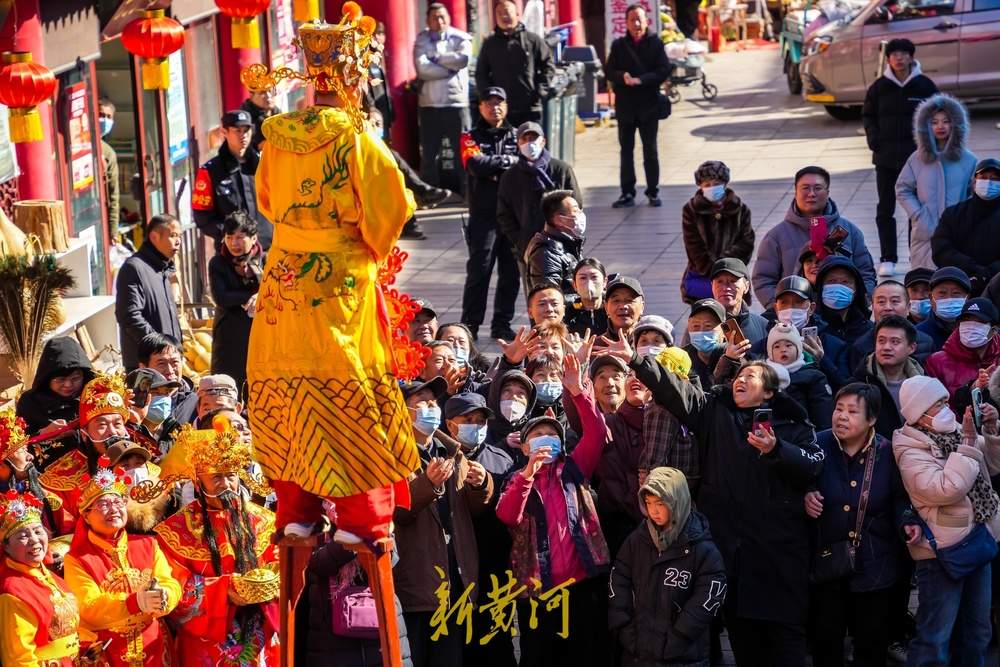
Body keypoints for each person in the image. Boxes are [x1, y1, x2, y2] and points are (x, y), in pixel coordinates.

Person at [244, 8, 422, 542]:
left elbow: (267, 201)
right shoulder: (358, 141)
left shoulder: (275, 138)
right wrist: (366, 249)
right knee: (350, 387)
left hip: (283, 280)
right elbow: (389, 211)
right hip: (338, 281)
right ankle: (361, 516)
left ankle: (295, 511)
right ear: (354, 80)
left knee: (284, 387)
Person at [605, 336, 823, 667]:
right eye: (739, 376)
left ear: (769, 391)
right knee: (743, 641)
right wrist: (638, 360)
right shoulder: (714, 412)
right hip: (730, 554)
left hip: (779, 558)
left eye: (751, 376)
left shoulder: (792, 424)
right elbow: (673, 391)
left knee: (787, 645)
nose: (741, 380)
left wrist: (776, 450)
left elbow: (812, 464)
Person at [496, 355, 612, 666]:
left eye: (551, 435)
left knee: (585, 655)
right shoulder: (515, 479)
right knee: (539, 657)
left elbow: (597, 435)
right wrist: (528, 473)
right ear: (523, 447)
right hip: (537, 590)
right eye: (536, 436)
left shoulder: (574, 468)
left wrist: (578, 391)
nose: (544, 441)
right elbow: (508, 516)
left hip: (581, 587)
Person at [893, 376, 1000, 665]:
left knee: (978, 631)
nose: (945, 409)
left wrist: (990, 431)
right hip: (942, 551)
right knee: (935, 637)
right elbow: (945, 489)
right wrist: (967, 444)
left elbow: (992, 465)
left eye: (944, 401)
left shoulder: (954, 431)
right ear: (919, 413)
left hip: (978, 538)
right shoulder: (909, 448)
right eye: (936, 404)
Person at [152, 420, 278, 666]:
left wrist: (270, 581)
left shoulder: (264, 519)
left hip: (260, 625)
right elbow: (174, 585)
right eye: (216, 477)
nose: (226, 484)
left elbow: (282, 562)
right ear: (199, 484)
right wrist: (226, 590)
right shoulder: (174, 531)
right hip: (206, 639)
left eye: (231, 476)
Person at [804, 384, 913, 667]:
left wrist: (907, 522)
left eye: (853, 411)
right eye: (839, 409)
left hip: (875, 562)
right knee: (826, 642)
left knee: (872, 643)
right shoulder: (817, 444)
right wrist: (806, 494)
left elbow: (901, 499)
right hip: (827, 561)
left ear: (872, 419)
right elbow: (796, 481)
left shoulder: (888, 452)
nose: (842, 416)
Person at [395, 377, 492, 667]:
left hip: (454, 581)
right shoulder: (391, 455)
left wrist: (481, 484)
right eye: (421, 402)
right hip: (416, 584)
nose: (430, 407)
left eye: (433, 402)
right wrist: (427, 484)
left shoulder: (451, 451)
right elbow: (397, 511)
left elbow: (471, 511)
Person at [63, 457, 181, 667]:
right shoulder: (77, 559)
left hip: (155, 645)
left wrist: (165, 596)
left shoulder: (148, 544)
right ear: (86, 516)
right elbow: (88, 607)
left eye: (118, 502)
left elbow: (170, 582)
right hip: (109, 652)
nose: (113, 509)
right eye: (103, 504)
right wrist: (134, 602)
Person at [609, 467, 726, 666]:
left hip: (683, 656)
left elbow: (709, 597)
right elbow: (618, 582)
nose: (653, 511)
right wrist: (625, 628)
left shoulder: (702, 548)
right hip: (638, 653)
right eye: (648, 503)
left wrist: (679, 635)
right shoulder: (636, 541)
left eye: (660, 504)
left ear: (677, 501)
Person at [861, 38, 939, 277]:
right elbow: (868, 116)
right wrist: (874, 140)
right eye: (894, 54)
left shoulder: (925, 86)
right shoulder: (878, 87)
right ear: (888, 59)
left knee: (915, 210)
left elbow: (938, 117)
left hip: (916, 161)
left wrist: (929, 146)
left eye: (904, 53)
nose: (899, 58)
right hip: (885, 160)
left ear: (911, 57)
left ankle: (915, 256)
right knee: (885, 209)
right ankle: (887, 258)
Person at [752, 166, 876, 308]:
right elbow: (763, 279)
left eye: (817, 188)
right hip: (796, 317)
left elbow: (866, 273)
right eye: (805, 188)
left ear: (828, 192)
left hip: (845, 314)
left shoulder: (849, 231)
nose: (811, 194)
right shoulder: (776, 236)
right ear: (796, 191)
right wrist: (781, 308)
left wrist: (860, 303)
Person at [298, 529, 412, 666]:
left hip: (380, 620)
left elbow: (391, 559)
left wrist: (370, 528)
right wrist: (351, 537)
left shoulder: (375, 512)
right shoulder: (319, 515)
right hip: (331, 630)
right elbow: (317, 562)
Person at [459, 86, 520, 342]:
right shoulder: (469, 137)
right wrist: (505, 162)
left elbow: (524, 164)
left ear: (506, 106)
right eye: (489, 102)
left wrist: (493, 165)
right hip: (483, 217)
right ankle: (470, 325)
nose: (494, 107)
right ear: (480, 107)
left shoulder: (518, 135)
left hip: (513, 216)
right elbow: (474, 164)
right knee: (479, 271)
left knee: (511, 273)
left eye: (499, 102)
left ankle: (502, 324)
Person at [0, 490, 81, 666]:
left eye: (38, 531)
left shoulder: (50, 576)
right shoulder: (12, 591)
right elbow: (19, 659)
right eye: (23, 536)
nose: (34, 540)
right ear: (5, 546)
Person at [896, 94, 977, 271]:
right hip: (925, 233)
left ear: (955, 124)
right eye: (934, 122)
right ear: (925, 126)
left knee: (955, 284)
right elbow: (902, 188)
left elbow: (975, 195)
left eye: (946, 121)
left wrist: (965, 218)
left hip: (958, 234)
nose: (940, 126)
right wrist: (918, 214)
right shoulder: (917, 159)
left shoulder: (969, 160)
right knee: (924, 283)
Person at [40, 372, 133, 522]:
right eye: (102, 424)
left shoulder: (142, 466)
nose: (113, 432)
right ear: (84, 434)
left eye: (117, 424)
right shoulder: (58, 480)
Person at [605, 3, 671, 209]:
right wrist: (622, 76)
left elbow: (663, 70)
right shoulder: (618, 45)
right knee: (626, 150)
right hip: (625, 106)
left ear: (646, 21)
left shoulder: (655, 43)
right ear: (625, 23)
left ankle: (653, 191)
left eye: (639, 19)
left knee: (650, 150)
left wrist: (641, 80)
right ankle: (627, 192)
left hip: (648, 104)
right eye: (631, 19)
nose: (636, 23)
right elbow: (608, 71)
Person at [497, 121, 582, 263]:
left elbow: (576, 205)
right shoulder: (510, 176)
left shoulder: (561, 169)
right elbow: (504, 213)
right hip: (528, 247)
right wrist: (520, 239)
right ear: (518, 143)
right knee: (533, 284)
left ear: (543, 142)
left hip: (562, 244)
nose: (529, 143)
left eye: (533, 138)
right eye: (524, 139)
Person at [192, 109, 273, 251]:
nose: (243, 136)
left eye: (246, 130)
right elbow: (202, 217)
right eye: (237, 131)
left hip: (269, 249)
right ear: (224, 132)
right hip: (233, 255)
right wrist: (229, 233)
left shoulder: (264, 164)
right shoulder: (210, 171)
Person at [413, 3, 472, 193]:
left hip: (456, 103)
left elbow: (462, 60)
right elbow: (422, 69)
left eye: (442, 17)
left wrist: (436, 57)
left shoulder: (460, 37)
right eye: (434, 18)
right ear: (427, 20)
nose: (439, 21)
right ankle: (430, 194)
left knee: (463, 152)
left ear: (448, 18)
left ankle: (468, 192)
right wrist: (449, 68)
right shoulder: (422, 39)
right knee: (429, 155)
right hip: (429, 104)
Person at [114, 214, 183, 372]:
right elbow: (129, 316)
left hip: (167, 363)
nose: (178, 241)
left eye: (179, 236)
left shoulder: (162, 268)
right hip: (146, 366)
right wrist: (159, 347)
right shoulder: (134, 268)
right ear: (154, 236)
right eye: (173, 236)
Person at [209, 211, 266, 399]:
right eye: (229, 237)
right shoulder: (218, 263)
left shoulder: (266, 260)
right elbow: (222, 297)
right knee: (229, 391)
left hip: (262, 334)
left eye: (240, 237)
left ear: (254, 237)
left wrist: (262, 295)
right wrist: (251, 295)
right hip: (229, 338)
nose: (234, 243)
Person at [680, 160, 754, 303]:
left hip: (733, 274)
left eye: (716, 184)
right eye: (707, 185)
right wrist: (712, 270)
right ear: (700, 186)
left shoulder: (740, 208)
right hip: (703, 275)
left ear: (725, 184)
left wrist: (728, 267)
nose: (712, 188)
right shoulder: (691, 210)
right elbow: (693, 245)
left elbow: (746, 241)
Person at [15, 336, 94, 466]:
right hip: (50, 474)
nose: (68, 385)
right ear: (47, 380)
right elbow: (17, 449)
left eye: (75, 378)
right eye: (60, 380)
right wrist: (44, 434)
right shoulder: (30, 403)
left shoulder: (95, 394)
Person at [475, 0, 554, 127]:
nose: (503, 16)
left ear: (517, 14)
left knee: (531, 145)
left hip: (530, 108)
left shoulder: (533, 40)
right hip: (501, 111)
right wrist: (489, 98)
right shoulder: (490, 44)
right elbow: (481, 74)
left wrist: (539, 91)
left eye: (507, 12)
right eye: (499, 13)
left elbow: (548, 66)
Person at [932, 158, 1000, 293]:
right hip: (959, 285)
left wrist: (990, 273)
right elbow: (941, 249)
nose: (988, 183)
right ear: (974, 182)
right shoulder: (953, 213)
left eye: (994, 179)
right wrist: (972, 268)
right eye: (984, 178)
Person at [0, 408, 71, 538]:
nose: (30, 457)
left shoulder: (48, 499)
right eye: (22, 451)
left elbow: (71, 534)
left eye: (27, 450)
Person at [854, 315, 925, 440]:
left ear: (911, 348)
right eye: (881, 341)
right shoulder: (859, 385)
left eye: (895, 342)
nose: (886, 347)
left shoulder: (925, 384)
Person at [848, 279, 936, 371]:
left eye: (895, 301)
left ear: (908, 307)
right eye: (881, 302)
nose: (888, 308)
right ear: (873, 306)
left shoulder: (926, 342)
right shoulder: (861, 346)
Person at [925, 298, 1000, 404]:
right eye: (966, 320)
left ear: (994, 330)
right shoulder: (936, 362)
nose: (971, 326)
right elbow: (936, 405)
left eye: (979, 321)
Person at [764, 323, 833, 430]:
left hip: (804, 435)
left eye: (789, 345)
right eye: (777, 346)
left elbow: (822, 413)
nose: (783, 350)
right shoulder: (763, 376)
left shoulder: (813, 376)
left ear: (798, 349)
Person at [524, 189, 585, 294]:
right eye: (575, 211)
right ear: (559, 219)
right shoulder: (546, 254)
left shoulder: (569, 243)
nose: (581, 213)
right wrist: (584, 299)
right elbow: (549, 298)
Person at [136, 333, 198, 426]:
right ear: (143, 367)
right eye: (161, 363)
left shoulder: (197, 402)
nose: (170, 370)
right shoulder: (132, 403)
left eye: (175, 362)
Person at [709, 258, 768, 347]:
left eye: (733, 281)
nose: (725, 288)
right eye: (719, 281)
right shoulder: (700, 327)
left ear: (746, 286)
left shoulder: (763, 326)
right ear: (712, 286)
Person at [916, 266, 972, 350]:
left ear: (967, 298)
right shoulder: (917, 334)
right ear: (931, 298)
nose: (949, 298)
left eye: (956, 293)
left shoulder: (978, 332)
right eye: (942, 292)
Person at [683, 298, 727, 390]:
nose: (701, 331)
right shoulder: (681, 359)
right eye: (696, 326)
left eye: (708, 326)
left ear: (723, 330)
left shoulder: (734, 357)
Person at [565, 257, 609, 337]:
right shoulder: (567, 314)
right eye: (583, 278)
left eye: (594, 277)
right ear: (574, 285)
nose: (589, 283)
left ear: (605, 282)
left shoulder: (613, 311)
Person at [365, 22, 394, 141]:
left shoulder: (380, 58)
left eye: (381, 33)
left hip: (384, 115)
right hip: (374, 117)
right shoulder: (366, 59)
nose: (377, 37)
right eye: (374, 34)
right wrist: (371, 108)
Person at [98, 97, 120, 244]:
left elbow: (113, 194)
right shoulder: (83, 143)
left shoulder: (108, 153)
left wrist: (113, 231)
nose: (104, 120)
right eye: (101, 115)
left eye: (108, 117)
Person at [605, 276, 646, 342]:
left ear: (642, 306)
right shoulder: (595, 347)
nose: (623, 306)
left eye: (629, 300)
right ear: (606, 307)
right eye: (616, 300)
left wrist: (631, 353)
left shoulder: (655, 343)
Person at [240, 85, 279, 152]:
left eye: (270, 91)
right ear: (251, 95)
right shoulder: (244, 119)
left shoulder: (278, 113)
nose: (268, 96)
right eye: (262, 92)